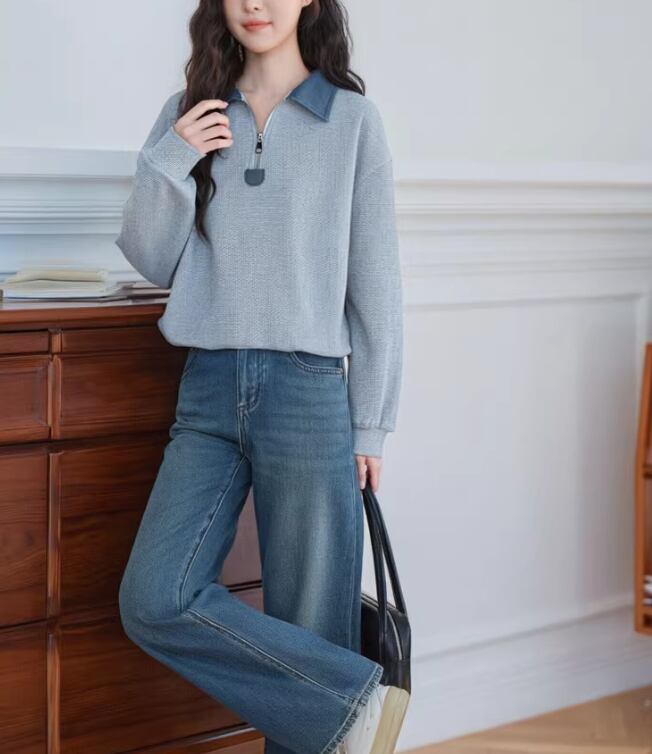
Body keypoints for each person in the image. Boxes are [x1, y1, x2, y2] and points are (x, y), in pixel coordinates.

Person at [115, 1, 407, 753]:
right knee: (154, 597)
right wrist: (171, 157)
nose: (255, 3)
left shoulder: (351, 121)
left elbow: (376, 287)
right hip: (207, 390)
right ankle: (355, 703)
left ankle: (343, 709)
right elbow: (150, 256)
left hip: (308, 393)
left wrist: (371, 423)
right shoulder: (187, 114)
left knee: (310, 624)